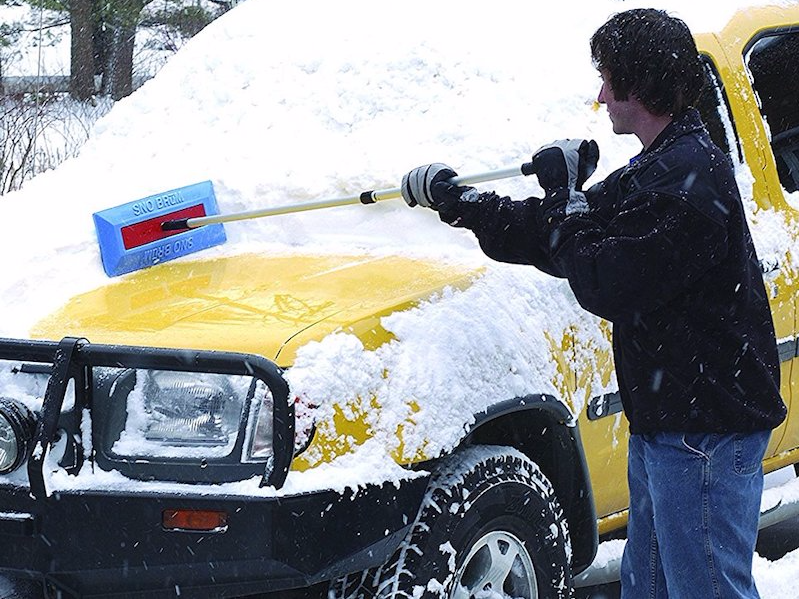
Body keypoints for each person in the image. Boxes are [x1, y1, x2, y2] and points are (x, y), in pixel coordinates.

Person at [400, 8, 787, 599]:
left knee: (705, 589)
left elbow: (603, 278)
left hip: (705, 431)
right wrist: (461, 201)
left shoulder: (688, 182)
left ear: (641, 83)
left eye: (609, 79)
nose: (600, 94)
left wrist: (566, 194)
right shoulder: (663, 165)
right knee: (650, 585)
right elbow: (557, 237)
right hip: (671, 423)